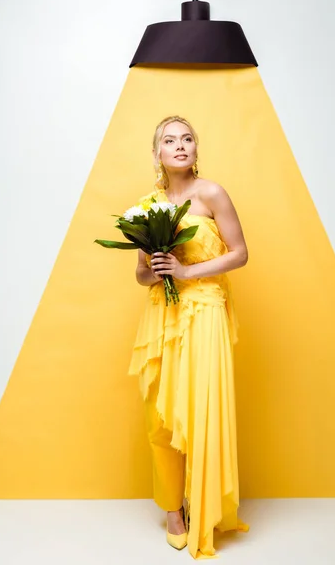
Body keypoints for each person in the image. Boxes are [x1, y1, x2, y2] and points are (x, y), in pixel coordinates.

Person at [128, 115, 249, 559]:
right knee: (160, 419)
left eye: (187, 138)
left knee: (202, 413)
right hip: (164, 317)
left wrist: (186, 271)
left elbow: (240, 253)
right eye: (169, 140)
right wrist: (157, 271)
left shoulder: (212, 193)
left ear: (196, 149)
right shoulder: (147, 205)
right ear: (157, 153)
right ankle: (173, 510)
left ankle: (205, 504)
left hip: (207, 314)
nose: (180, 146)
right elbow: (142, 276)